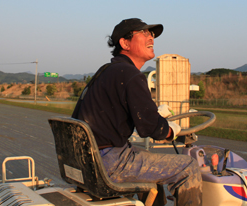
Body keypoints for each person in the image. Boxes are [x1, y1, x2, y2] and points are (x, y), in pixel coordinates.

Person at [71, 18, 202, 206]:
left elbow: (130, 115)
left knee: (147, 160)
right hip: (109, 161)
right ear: (125, 43)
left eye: (152, 34)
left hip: (88, 158)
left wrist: (155, 115)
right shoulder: (130, 74)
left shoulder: (107, 71)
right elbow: (150, 128)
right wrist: (170, 130)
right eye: (145, 33)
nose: (152, 38)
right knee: (188, 167)